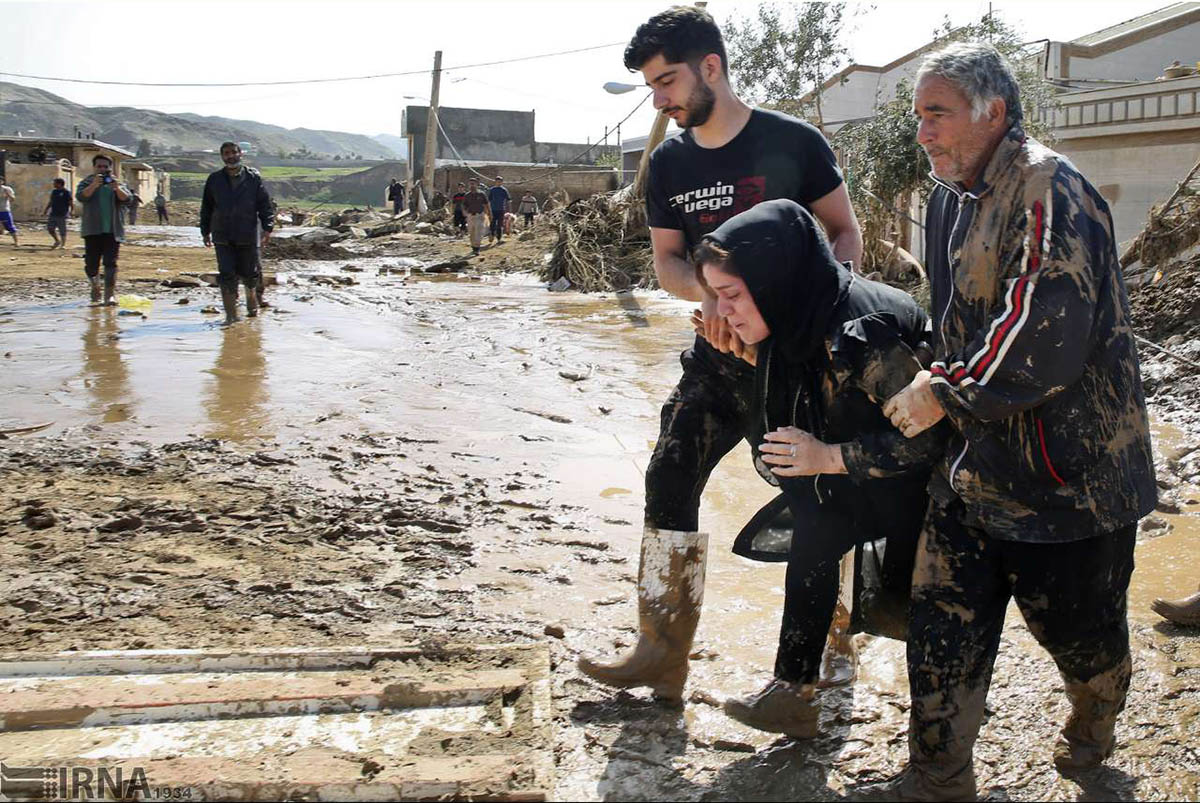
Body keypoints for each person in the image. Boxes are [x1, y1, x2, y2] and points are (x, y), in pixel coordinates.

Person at [878, 43, 1156, 800]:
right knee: (941, 626)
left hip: (1071, 481)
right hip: (974, 471)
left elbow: (1042, 332)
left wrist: (943, 391)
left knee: (1081, 642)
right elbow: (956, 322)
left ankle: (1093, 726)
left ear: (993, 111)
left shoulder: (1049, 187)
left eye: (937, 114)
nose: (923, 133)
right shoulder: (948, 199)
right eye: (917, 118)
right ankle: (938, 778)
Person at [576, 5, 863, 704]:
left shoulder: (793, 142)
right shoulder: (669, 163)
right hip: (716, 357)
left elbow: (846, 235)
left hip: (796, 363)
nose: (659, 99)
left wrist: (808, 320)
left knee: (816, 503)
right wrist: (707, 298)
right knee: (668, 476)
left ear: (712, 67)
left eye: (667, 80)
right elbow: (667, 263)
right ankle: (662, 650)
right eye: (650, 85)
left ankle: (827, 650)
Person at [692, 199, 940, 737]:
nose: (722, 311)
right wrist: (748, 358)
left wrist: (827, 458)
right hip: (859, 456)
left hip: (927, 483)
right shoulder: (795, 312)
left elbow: (930, 443)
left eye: (731, 295)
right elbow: (811, 382)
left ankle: (941, 744)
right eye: (714, 297)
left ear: (775, 279)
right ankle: (794, 692)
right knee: (814, 527)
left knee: (924, 603)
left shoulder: (864, 332)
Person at [199, 142, 275, 326]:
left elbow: (264, 204)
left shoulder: (253, 178)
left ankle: (252, 307)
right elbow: (206, 207)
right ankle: (231, 316)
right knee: (226, 274)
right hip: (222, 234)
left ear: (241, 154)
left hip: (247, 233)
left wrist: (268, 227)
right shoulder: (214, 179)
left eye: (234, 152)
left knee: (250, 273)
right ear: (222, 156)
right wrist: (205, 231)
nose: (230, 156)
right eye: (226, 153)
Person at [76, 155, 132, 305]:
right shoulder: (87, 182)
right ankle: (95, 286)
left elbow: (127, 199)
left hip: (113, 230)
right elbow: (81, 197)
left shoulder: (117, 183)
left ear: (110, 168)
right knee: (91, 263)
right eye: (99, 166)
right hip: (92, 229)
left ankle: (109, 295)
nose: (102, 169)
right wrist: (94, 185)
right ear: (94, 167)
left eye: (105, 167)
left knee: (110, 263)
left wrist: (116, 188)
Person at [43, 177, 74, 249]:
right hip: (53, 213)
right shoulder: (54, 192)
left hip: (62, 214)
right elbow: (51, 201)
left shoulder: (66, 192)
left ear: (59, 184)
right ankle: (57, 241)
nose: (53, 184)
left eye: (55, 183)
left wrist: (72, 211)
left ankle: (63, 244)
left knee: (62, 230)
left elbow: (70, 202)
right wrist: (46, 210)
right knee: (50, 228)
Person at [462, 177, 489, 255]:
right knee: (472, 232)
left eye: (473, 184)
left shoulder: (481, 194)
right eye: (470, 184)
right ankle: (474, 247)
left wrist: (489, 214)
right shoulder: (467, 195)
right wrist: (464, 212)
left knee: (479, 232)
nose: (471, 185)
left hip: (480, 215)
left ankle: (477, 248)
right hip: (470, 216)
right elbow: (464, 205)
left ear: (477, 185)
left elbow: (487, 204)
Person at [487, 175, 510, 244]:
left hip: (501, 209)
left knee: (500, 224)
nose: (499, 183)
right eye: (497, 181)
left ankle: (499, 238)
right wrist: (488, 210)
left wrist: (508, 210)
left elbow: (508, 200)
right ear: (495, 182)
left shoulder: (503, 190)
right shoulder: (492, 190)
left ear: (502, 182)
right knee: (492, 223)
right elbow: (488, 200)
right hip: (493, 209)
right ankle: (491, 235)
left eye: (500, 182)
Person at [0, 177, 18, 247]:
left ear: (2, 182)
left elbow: (13, 199)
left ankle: (16, 242)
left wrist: (8, 194)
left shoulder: (7, 189)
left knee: (10, 227)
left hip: (4, 210)